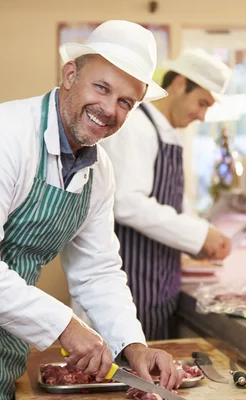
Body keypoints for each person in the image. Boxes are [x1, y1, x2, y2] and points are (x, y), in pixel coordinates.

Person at [0, 20, 184, 400]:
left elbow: (96, 271)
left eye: (126, 102)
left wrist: (133, 345)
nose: (110, 109)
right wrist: (66, 325)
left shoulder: (100, 172)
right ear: (69, 75)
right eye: (102, 87)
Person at [98, 49, 233, 340]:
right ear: (180, 84)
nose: (202, 115)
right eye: (202, 103)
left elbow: (172, 198)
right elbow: (126, 203)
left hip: (159, 284)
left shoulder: (168, 132)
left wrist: (202, 234)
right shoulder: (137, 126)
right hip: (132, 284)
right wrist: (197, 234)